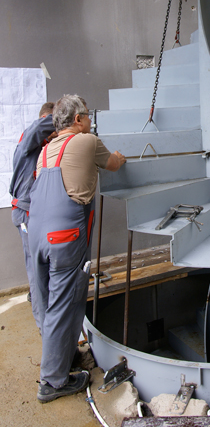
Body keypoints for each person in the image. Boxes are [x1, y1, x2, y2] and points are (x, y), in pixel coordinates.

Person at [28, 94, 126, 403]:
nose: (90, 121)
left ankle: (61, 358)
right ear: (78, 120)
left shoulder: (46, 152)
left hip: (37, 237)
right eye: (87, 116)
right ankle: (53, 382)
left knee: (46, 303)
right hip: (64, 238)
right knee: (65, 306)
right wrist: (122, 157)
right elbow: (113, 163)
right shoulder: (86, 141)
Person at [9, 102, 56, 328]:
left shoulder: (45, 145)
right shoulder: (31, 137)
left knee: (44, 267)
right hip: (26, 213)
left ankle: (42, 307)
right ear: (47, 119)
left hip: (38, 212)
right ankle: (44, 328)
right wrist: (68, 118)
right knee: (36, 270)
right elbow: (39, 128)